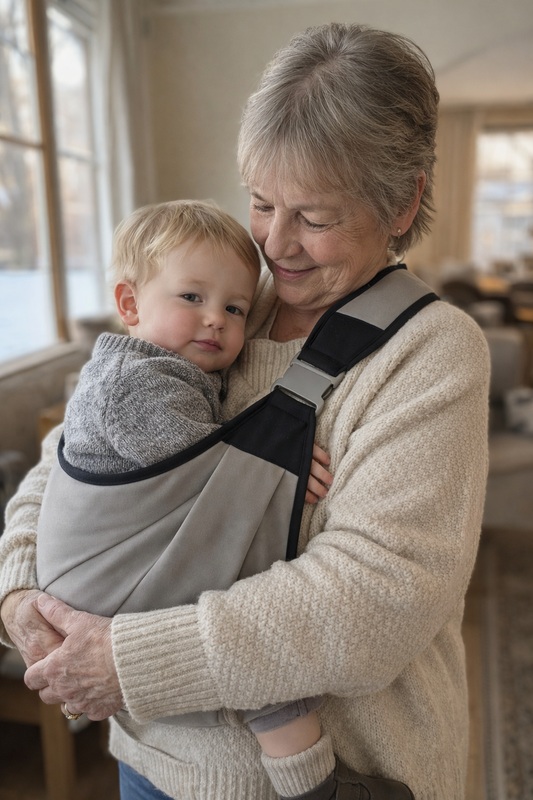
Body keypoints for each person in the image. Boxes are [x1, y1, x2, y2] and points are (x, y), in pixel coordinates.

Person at [0, 23, 490, 800]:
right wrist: (23, 587)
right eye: (262, 204)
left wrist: (127, 659)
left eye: (314, 218)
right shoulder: (225, 308)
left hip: (335, 777)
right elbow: (76, 453)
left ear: (402, 202)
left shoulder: (431, 351)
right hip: (150, 760)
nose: (277, 246)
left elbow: (372, 602)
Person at [38, 198, 346, 798]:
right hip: (104, 583)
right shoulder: (136, 382)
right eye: (191, 297)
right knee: (265, 664)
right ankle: (315, 786)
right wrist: (277, 458)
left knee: (256, 648)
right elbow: (212, 474)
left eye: (234, 308)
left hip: (113, 581)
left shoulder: (171, 370)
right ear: (130, 304)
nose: (216, 321)